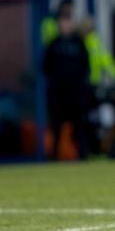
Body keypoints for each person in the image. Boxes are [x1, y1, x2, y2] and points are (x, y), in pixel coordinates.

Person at [41, 10, 91, 160]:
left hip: (75, 93)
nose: (65, 26)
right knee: (56, 126)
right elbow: (45, 67)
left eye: (67, 23)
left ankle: (83, 155)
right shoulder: (53, 44)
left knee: (79, 125)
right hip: (58, 94)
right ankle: (54, 156)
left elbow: (85, 66)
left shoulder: (79, 43)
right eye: (62, 23)